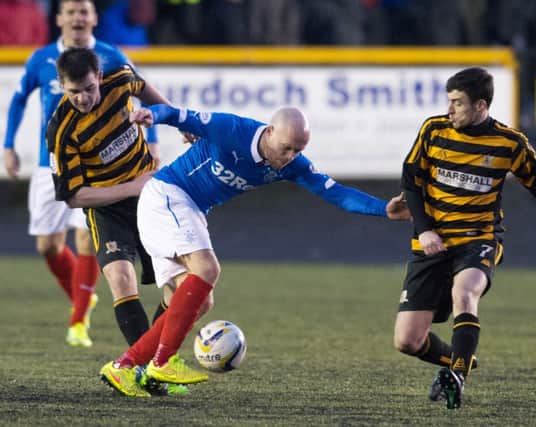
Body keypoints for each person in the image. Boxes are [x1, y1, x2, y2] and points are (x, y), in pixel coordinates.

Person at [98, 104, 411, 397]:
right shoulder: (233, 130)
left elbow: (336, 193)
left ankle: (125, 367)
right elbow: (180, 115)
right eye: (286, 147)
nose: (290, 156)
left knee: (200, 301)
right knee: (208, 269)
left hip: (188, 209)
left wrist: (383, 209)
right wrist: (150, 114)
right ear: (270, 132)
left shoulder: (292, 164)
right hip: (168, 195)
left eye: (298, 150)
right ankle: (161, 363)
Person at [393, 67, 536, 410]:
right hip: (432, 242)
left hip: (479, 238)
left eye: (457, 103)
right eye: (448, 102)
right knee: (407, 340)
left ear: (481, 105)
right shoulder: (434, 130)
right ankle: (462, 360)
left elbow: (534, 179)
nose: (450, 110)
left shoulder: (510, 143)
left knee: (466, 292)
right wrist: (426, 228)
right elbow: (410, 181)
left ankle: (457, 376)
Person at [3, 0, 157, 348]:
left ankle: (79, 319)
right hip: (52, 165)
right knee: (47, 246)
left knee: (87, 238)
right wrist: (8, 145)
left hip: (98, 171)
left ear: (93, 17)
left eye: (83, 11)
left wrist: (157, 134)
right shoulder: (40, 59)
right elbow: (18, 100)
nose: (77, 18)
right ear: (59, 18)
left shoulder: (111, 57)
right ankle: (84, 295)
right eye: (70, 12)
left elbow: (141, 92)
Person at [45, 47, 171, 355]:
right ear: (62, 85)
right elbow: (74, 197)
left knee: (176, 286)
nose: (83, 98)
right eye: (74, 92)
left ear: (99, 77)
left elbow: (142, 87)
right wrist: (132, 187)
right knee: (120, 277)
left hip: (149, 200)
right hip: (107, 210)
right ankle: (141, 368)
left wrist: (178, 120)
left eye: (89, 88)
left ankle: (156, 360)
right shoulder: (61, 131)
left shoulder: (121, 79)